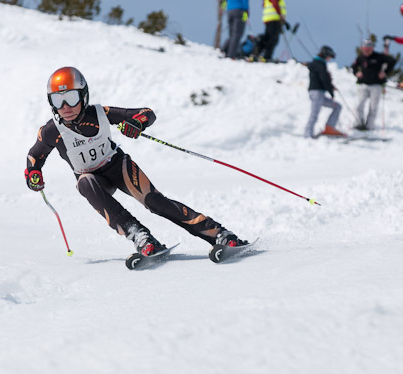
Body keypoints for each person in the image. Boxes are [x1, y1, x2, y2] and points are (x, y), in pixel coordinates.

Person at [25, 67, 248, 257]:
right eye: (58, 100)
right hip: (94, 181)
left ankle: (219, 234)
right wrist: (33, 175)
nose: (65, 106)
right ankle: (141, 238)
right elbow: (34, 157)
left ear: (84, 96)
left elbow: (147, 113)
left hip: (117, 167)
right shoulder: (51, 131)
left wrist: (136, 124)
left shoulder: (100, 114)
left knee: (155, 202)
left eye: (71, 98)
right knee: (84, 182)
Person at [351, 39, 396, 130]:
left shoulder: (379, 56)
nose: (367, 51)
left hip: (376, 85)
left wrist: (385, 72)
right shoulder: (361, 58)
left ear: (372, 48)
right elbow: (354, 67)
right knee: (359, 105)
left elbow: (392, 61)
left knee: (373, 107)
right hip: (363, 84)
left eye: (369, 49)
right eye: (365, 49)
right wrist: (357, 73)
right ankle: (358, 124)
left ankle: (369, 126)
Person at [304, 45, 344, 138]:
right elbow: (324, 79)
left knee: (337, 106)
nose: (330, 59)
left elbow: (322, 79)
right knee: (314, 114)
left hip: (318, 93)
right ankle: (307, 135)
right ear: (326, 55)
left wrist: (330, 87)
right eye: (330, 56)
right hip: (317, 93)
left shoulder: (318, 64)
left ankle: (329, 128)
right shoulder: (319, 64)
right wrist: (331, 91)